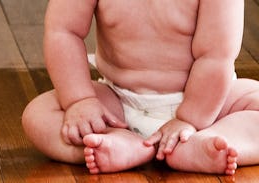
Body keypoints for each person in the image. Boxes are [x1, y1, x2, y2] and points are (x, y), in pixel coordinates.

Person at [22, 0, 259, 175]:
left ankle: (207, 141)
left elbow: (216, 56)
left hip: (206, 104)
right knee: (39, 115)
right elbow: (63, 31)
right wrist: (80, 101)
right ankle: (120, 143)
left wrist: (191, 119)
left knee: (254, 100)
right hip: (120, 103)